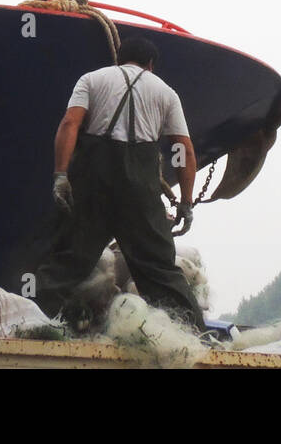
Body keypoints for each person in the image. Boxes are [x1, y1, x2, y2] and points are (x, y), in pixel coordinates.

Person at [35, 36, 206, 331]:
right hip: (140, 189)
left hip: (93, 183)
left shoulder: (91, 79)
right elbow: (183, 150)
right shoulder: (166, 92)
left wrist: (61, 175)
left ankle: (31, 324)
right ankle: (196, 338)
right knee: (159, 269)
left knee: (67, 260)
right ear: (151, 65)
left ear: (118, 58)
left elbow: (69, 124)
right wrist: (186, 202)